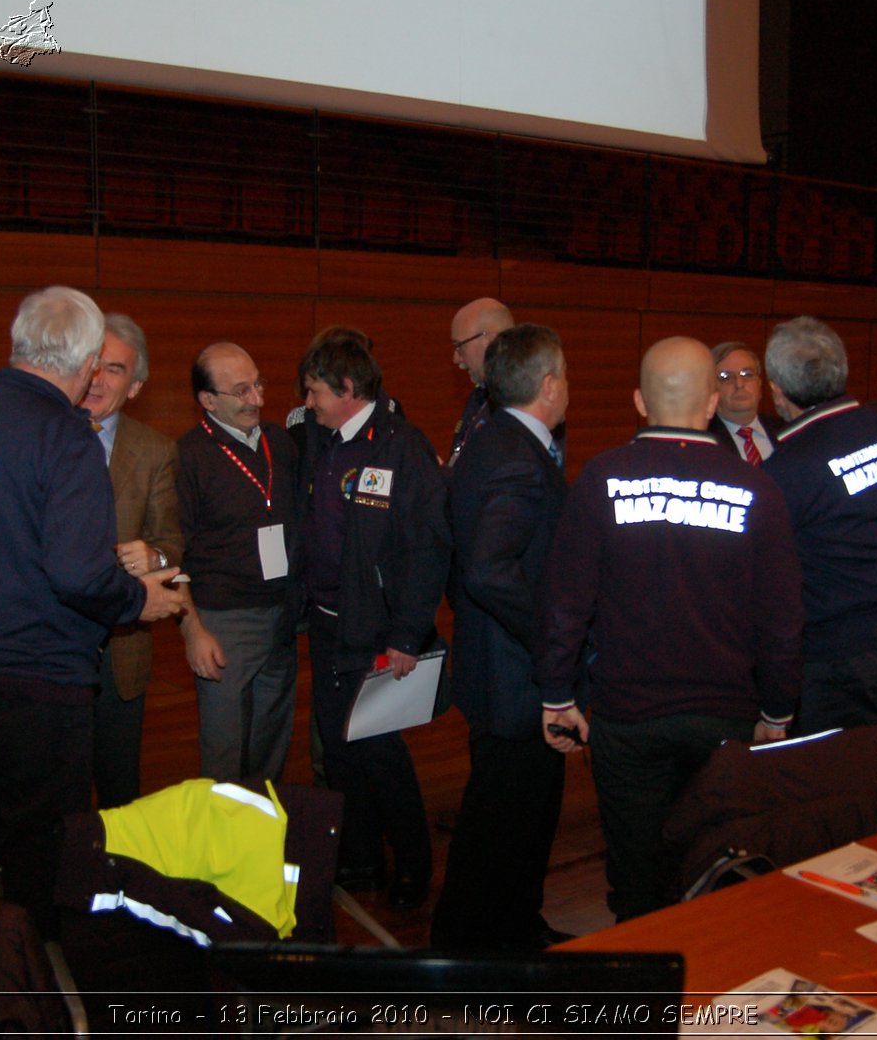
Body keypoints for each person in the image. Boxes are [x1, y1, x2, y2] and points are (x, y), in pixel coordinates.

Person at [0, 286, 185, 925]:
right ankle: (34, 970)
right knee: (43, 846)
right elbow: (78, 572)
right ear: (84, 362)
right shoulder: (67, 437)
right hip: (39, 679)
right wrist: (140, 600)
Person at [533, 336, 803, 922]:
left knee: (634, 872)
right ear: (710, 404)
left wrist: (557, 695)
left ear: (638, 401)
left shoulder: (601, 478)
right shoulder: (757, 489)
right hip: (725, 718)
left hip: (626, 719)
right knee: (716, 864)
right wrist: (778, 711)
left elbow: (565, 603)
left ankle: (641, 1001)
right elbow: (781, 620)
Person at [296, 330, 449, 909]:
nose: (308, 402)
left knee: (379, 751)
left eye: (315, 391)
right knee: (339, 749)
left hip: (380, 629)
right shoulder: (320, 437)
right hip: (329, 624)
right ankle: (360, 859)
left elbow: (427, 549)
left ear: (348, 388)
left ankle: (412, 866)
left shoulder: (402, 448)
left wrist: (408, 633)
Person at [431, 323, 572, 951]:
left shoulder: (492, 441)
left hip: (497, 667)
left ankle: (514, 929)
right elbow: (491, 569)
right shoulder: (517, 456)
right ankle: (466, 951)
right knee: (502, 822)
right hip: (516, 674)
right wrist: (554, 640)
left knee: (511, 821)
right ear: (548, 385)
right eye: (564, 375)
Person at [762, 316, 877, 735]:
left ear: (777, 391)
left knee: (833, 784)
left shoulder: (786, 470)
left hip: (841, 659)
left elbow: (768, 585)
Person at [174, 341, 300, 783]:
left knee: (271, 742)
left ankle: (260, 838)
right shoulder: (187, 457)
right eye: (241, 391)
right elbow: (174, 554)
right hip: (224, 621)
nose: (257, 400)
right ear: (207, 401)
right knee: (225, 749)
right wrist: (193, 630)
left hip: (283, 615)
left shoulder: (280, 445)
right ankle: (223, 846)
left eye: (259, 385)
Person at [447, 297, 515, 464]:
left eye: (459, 345)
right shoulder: (480, 395)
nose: (455, 358)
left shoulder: (522, 401)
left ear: (489, 339)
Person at [707, 340, 780, 464]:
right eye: (726, 377)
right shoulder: (707, 439)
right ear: (711, 387)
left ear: (759, 383)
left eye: (747, 374)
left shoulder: (784, 429)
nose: (739, 384)